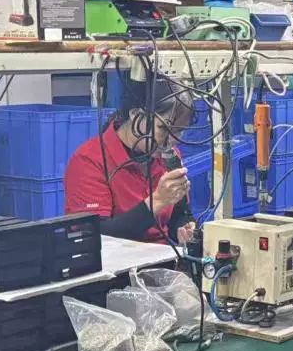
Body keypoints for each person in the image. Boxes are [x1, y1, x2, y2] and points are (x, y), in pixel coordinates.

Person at [64, 76, 197, 243]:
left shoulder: (169, 156)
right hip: (115, 258)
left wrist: (184, 229)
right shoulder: (89, 161)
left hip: (163, 255)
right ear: (135, 115)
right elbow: (93, 236)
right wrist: (157, 201)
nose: (171, 140)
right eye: (164, 129)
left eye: (179, 131)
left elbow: (180, 214)